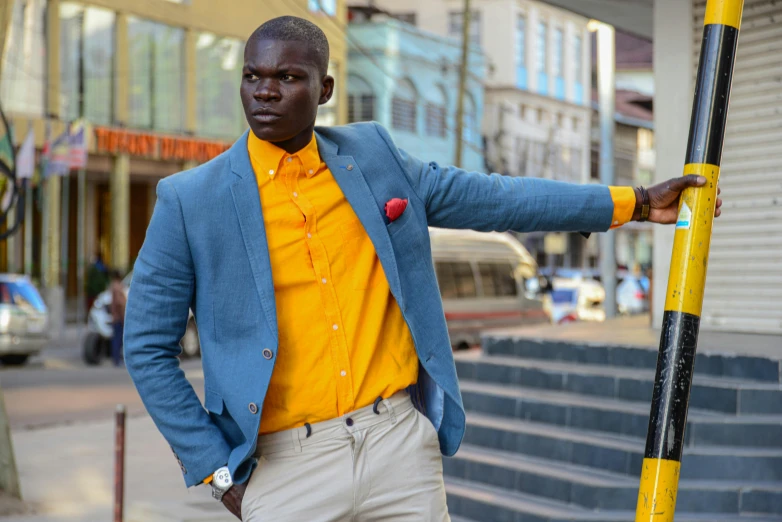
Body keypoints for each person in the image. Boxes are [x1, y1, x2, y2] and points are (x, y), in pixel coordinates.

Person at [124, 16, 722, 522]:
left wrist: (636, 202)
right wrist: (215, 467)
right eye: (253, 77)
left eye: (287, 77)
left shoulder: (374, 158)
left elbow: (495, 200)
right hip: (284, 470)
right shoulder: (190, 201)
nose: (265, 92)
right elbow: (147, 346)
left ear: (325, 87)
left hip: (397, 450)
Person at [109, 269, 126, 367]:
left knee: (117, 338)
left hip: (116, 316)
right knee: (118, 339)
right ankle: (117, 359)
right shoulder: (118, 287)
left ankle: (116, 358)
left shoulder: (113, 286)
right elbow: (120, 303)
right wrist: (123, 316)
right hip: (119, 317)